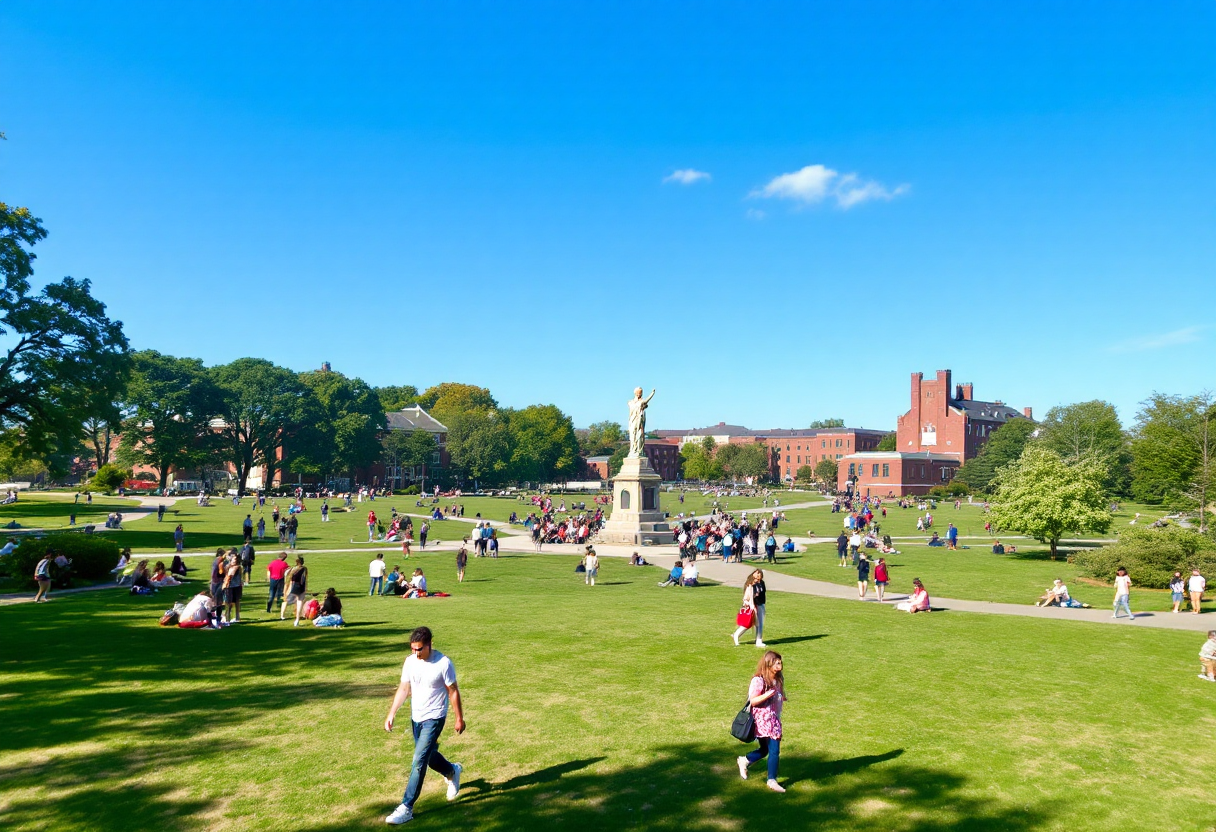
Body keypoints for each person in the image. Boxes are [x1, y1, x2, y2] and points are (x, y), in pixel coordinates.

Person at [383, 626, 466, 825]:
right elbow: (404, 688)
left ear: (429, 645)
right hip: (416, 717)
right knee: (428, 757)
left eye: (419, 649)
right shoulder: (410, 662)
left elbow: (453, 691)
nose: (416, 653)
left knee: (418, 761)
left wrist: (459, 718)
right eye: (413, 649)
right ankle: (452, 771)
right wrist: (391, 713)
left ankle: (406, 807)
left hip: (435, 717)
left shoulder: (443, 663)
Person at [735, 650, 786, 793]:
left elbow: (778, 696)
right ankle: (772, 780)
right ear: (769, 663)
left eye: (780, 662)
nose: (780, 664)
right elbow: (753, 700)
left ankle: (744, 760)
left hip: (773, 719)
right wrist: (768, 694)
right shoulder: (758, 680)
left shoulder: (778, 679)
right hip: (762, 720)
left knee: (765, 750)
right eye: (777, 662)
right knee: (774, 749)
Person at [732, 570, 767, 648]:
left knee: (759, 624)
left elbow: (763, 594)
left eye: (759, 576)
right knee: (748, 624)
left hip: (760, 605)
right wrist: (749, 604)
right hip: (753, 607)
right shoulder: (750, 585)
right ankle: (736, 635)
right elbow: (746, 597)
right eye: (757, 576)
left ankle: (759, 640)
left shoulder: (762, 583)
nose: (758, 578)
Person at [284, 556, 308, 626]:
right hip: (301, 586)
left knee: (288, 600)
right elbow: (305, 578)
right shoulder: (304, 569)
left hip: (294, 586)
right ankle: (297, 619)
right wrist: (306, 588)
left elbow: (287, 576)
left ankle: (283, 614)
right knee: (300, 602)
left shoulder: (292, 569)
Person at [222, 551, 243, 623]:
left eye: (236, 559)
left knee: (236, 602)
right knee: (228, 603)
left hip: (235, 586)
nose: (235, 560)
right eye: (234, 559)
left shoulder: (237, 567)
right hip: (230, 587)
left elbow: (230, 575)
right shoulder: (228, 566)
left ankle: (236, 617)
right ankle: (227, 618)